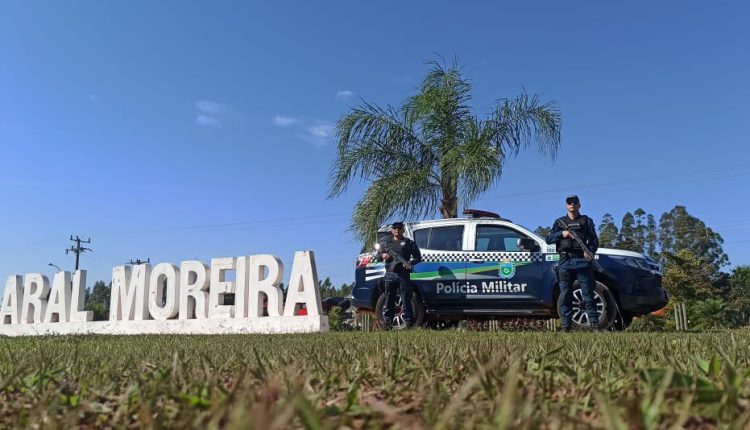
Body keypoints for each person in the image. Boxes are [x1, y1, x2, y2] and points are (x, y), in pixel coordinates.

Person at [546, 195, 600, 331]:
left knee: (588, 294)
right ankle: (566, 326)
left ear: (579, 205)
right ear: (566, 206)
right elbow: (549, 239)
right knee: (565, 295)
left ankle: (594, 325)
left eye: (575, 202)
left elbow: (594, 240)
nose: (572, 205)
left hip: (582, 261)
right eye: (569, 203)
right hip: (565, 261)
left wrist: (590, 251)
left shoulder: (586, 221)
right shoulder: (559, 222)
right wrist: (562, 234)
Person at [378, 221, 422, 329]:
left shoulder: (409, 243)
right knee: (389, 298)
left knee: (406, 298)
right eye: (395, 228)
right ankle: (387, 322)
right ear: (392, 230)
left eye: (399, 228)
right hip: (390, 274)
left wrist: (410, 263)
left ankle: (408, 322)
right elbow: (379, 254)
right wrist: (383, 255)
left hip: (403, 274)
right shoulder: (386, 242)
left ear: (403, 230)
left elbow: (418, 257)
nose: (397, 230)